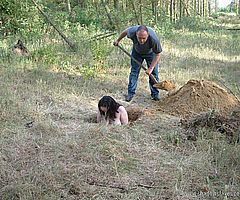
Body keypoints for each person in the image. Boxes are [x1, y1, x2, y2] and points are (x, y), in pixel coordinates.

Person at [113, 25, 162, 102]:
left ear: (148, 35)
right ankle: (130, 94)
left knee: (153, 73)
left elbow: (158, 54)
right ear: (136, 34)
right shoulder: (132, 31)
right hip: (137, 52)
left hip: (150, 54)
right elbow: (125, 32)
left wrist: (150, 68)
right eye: (139, 38)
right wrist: (118, 40)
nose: (141, 40)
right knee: (134, 72)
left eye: (144, 38)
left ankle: (155, 94)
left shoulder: (154, 39)